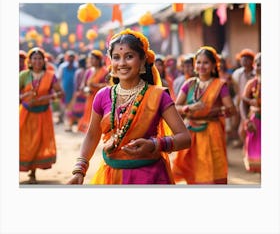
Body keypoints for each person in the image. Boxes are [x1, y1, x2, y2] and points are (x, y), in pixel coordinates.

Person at [67, 28, 191, 185]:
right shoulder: (102, 95)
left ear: (142, 60)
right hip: (111, 176)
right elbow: (92, 135)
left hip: (149, 177)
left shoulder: (158, 96)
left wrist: (154, 144)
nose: (122, 63)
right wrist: (80, 169)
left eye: (129, 57)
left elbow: (185, 138)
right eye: (116, 57)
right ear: (110, 61)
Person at [171, 46, 236, 184]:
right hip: (191, 132)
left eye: (206, 62)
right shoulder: (189, 84)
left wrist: (217, 111)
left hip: (212, 132)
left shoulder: (220, 85)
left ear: (214, 65)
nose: (201, 66)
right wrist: (190, 107)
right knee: (193, 169)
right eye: (198, 62)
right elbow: (175, 108)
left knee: (211, 168)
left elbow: (231, 109)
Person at [19, 47, 63, 184]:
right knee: (23, 141)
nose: (37, 61)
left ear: (44, 61)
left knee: (38, 142)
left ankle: (33, 173)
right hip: (25, 113)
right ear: (30, 61)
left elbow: (60, 93)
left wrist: (49, 97)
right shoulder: (23, 75)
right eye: (34, 58)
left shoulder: (50, 76)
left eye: (40, 58)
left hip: (43, 114)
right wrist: (23, 96)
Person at [77, 49, 109, 133]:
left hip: (100, 98)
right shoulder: (89, 71)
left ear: (99, 60)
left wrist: (95, 86)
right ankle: (90, 132)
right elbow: (83, 85)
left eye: (92, 59)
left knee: (98, 116)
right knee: (89, 114)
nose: (90, 60)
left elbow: (109, 85)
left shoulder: (105, 71)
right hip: (90, 97)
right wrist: (85, 89)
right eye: (90, 58)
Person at [240, 52, 261, 173]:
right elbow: (243, 102)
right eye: (258, 65)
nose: (260, 68)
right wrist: (246, 120)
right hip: (256, 122)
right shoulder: (252, 83)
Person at [231, 48, 255, 148]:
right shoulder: (237, 73)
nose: (244, 61)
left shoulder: (256, 73)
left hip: (254, 103)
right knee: (237, 123)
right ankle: (245, 143)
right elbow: (235, 88)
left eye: (247, 59)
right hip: (241, 101)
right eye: (243, 59)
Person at [57, 50, 78, 131]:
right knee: (65, 109)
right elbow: (58, 79)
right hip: (64, 91)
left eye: (72, 57)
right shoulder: (62, 67)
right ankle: (67, 125)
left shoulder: (76, 67)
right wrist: (59, 90)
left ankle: (70, 125)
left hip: (73, 91)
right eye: (69, 57)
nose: (71, 59)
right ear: (67, 58)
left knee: (71, 109)